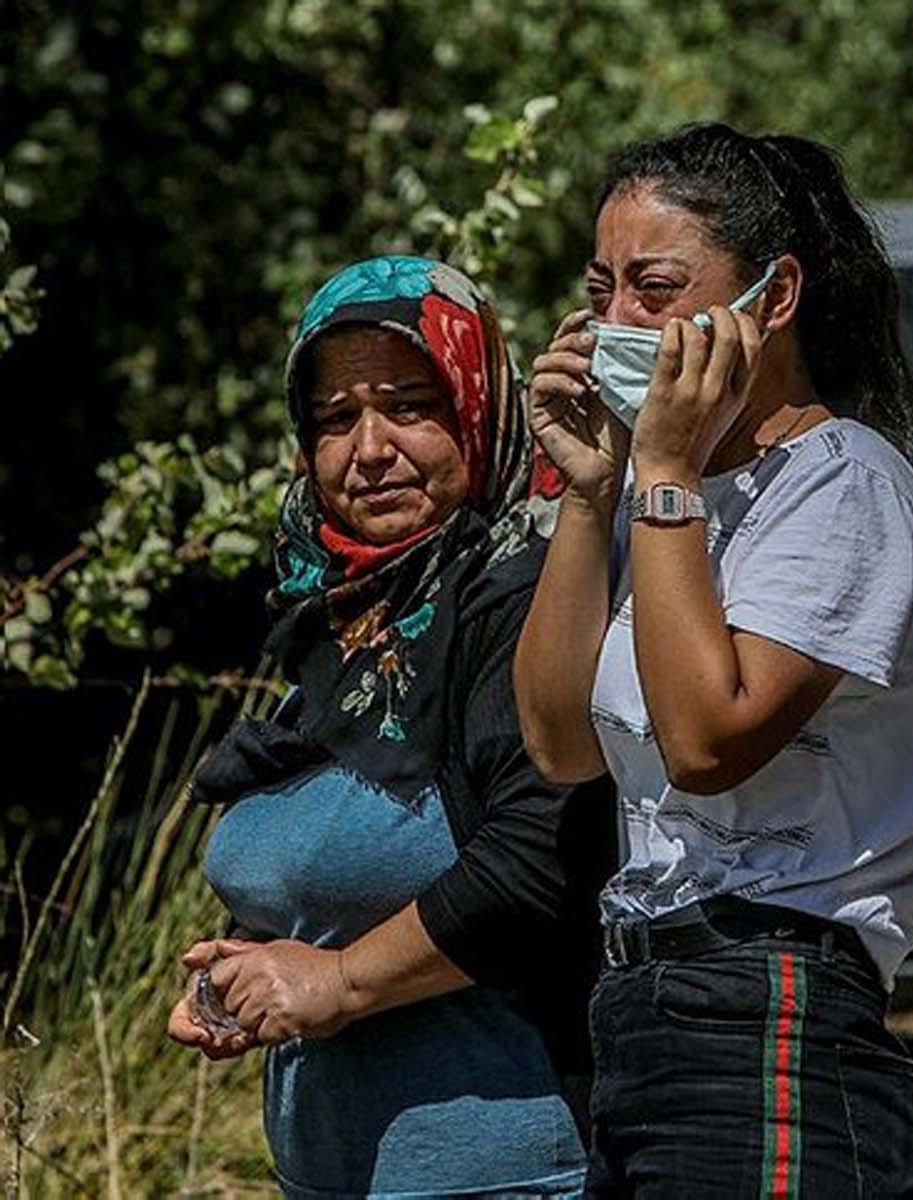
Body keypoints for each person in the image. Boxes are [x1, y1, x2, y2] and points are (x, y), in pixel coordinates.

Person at [514, 122, 913, 1199]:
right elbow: (557, 742)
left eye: (657, 288)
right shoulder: (657, 503)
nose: (618, 320)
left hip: (773, 1011)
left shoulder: (842, 487)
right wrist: (593, 494)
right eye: (603, 288)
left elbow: (709, 740)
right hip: (641, 1010)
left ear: (771, 300)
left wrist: (664, 469)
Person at [165, 255, 615, 1199]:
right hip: (333, 1172)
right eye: (335, 420)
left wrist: (335, 982)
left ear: (479, 409)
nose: (369, 449)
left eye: (410, 406)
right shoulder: (343, 623)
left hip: (505, 1171)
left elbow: (539, 865)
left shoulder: (520, 599)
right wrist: (250, 968)